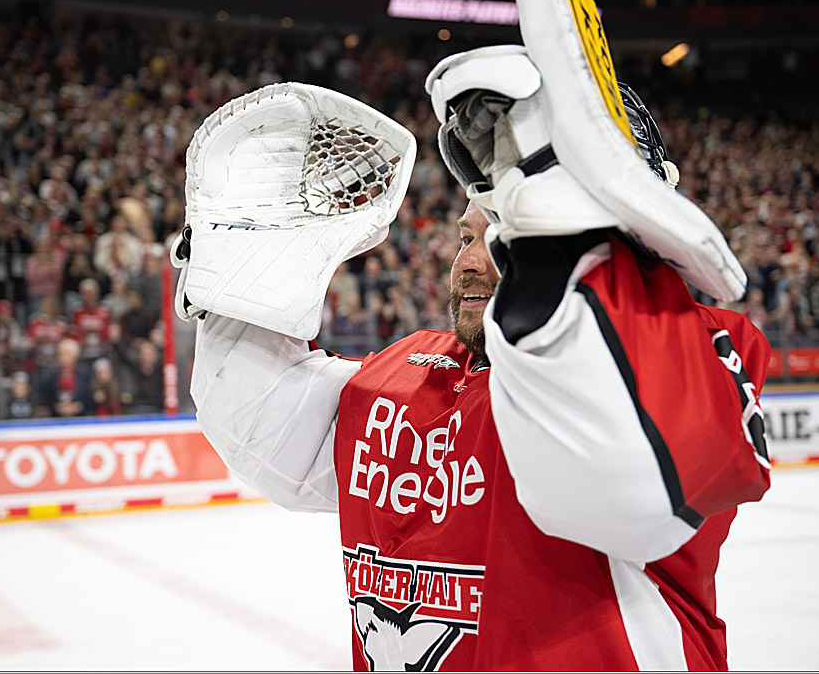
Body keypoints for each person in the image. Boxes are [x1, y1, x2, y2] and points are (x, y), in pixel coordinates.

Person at [182, 40, 771, 672]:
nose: (470, 260)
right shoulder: (406, 372)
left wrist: (558, 258)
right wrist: (240, 270)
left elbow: (632, 484)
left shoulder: (701, 344)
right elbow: (259, 418)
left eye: (502, 235)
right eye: (468, 235)